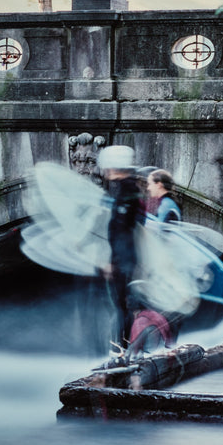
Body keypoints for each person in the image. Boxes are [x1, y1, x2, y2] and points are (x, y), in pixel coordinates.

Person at [96, 145, 141, 354]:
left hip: (125, 259)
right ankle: (121, 347)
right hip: (125, 257)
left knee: (122, 304)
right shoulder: (126, 189)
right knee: (121, 304)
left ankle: (121, 349)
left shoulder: (128, 191)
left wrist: (113, 261)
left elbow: (122, 230)